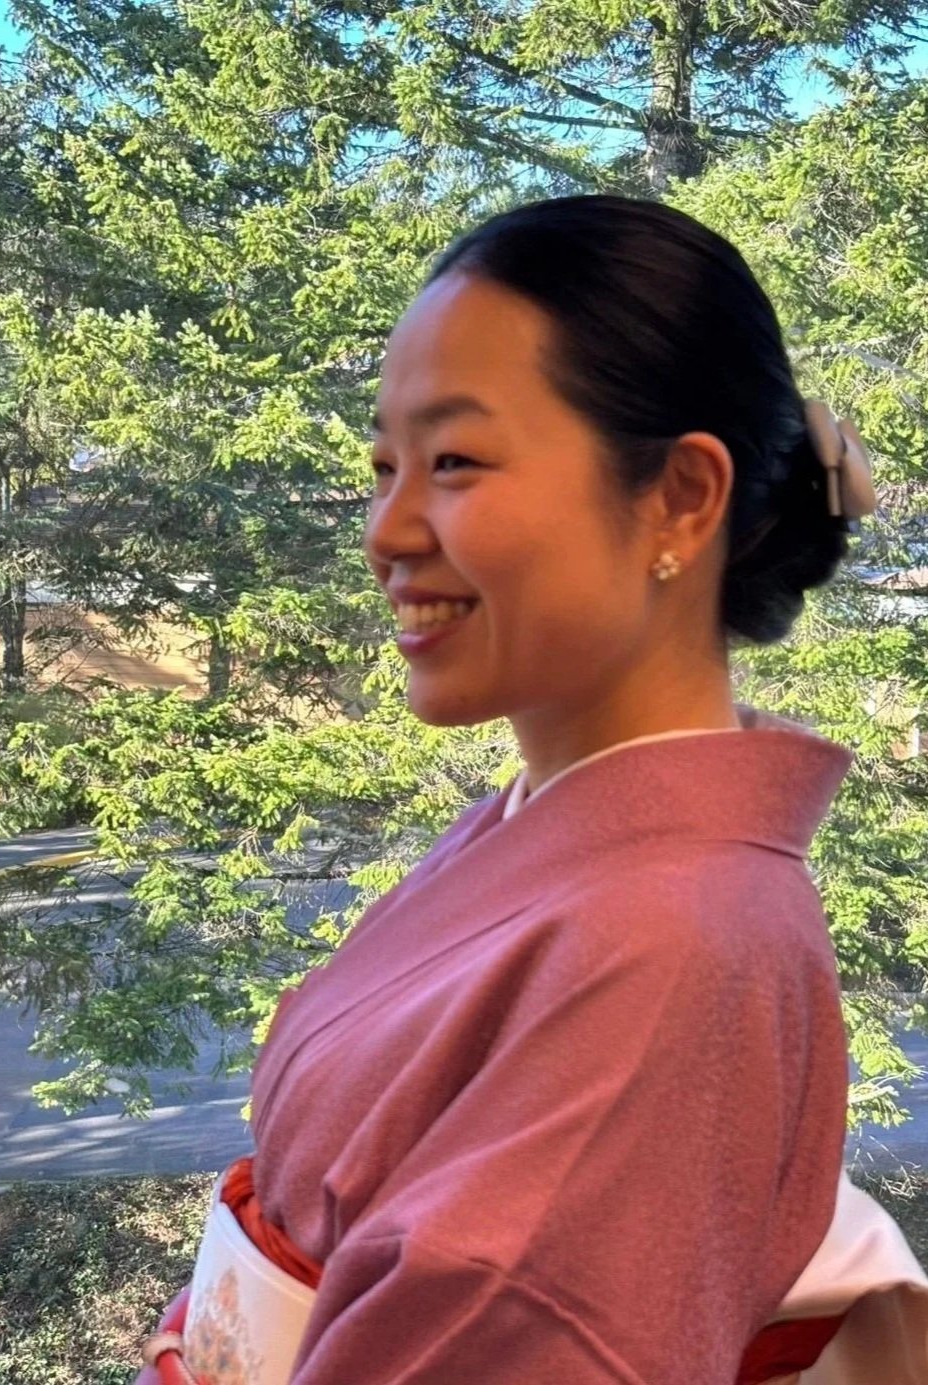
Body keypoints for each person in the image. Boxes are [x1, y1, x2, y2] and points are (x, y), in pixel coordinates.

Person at [136, 195, 927, 1385]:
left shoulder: (668, 950)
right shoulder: (562, 839)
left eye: (454, 461)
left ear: (682, 498)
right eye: (383, 466)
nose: (386, 530)